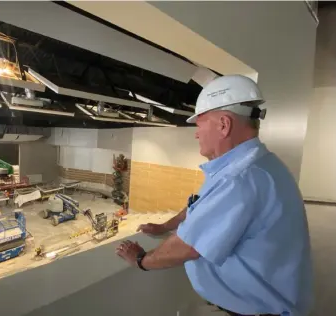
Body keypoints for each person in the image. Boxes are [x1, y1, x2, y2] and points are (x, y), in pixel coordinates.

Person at [115, 75, 313, 316]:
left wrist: (140, 260)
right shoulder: (256, 165)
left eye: (199, 124)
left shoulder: (239, 179)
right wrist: (166, 225)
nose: (196, 134)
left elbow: (186, 248)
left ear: (223, 125)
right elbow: (200, 205)